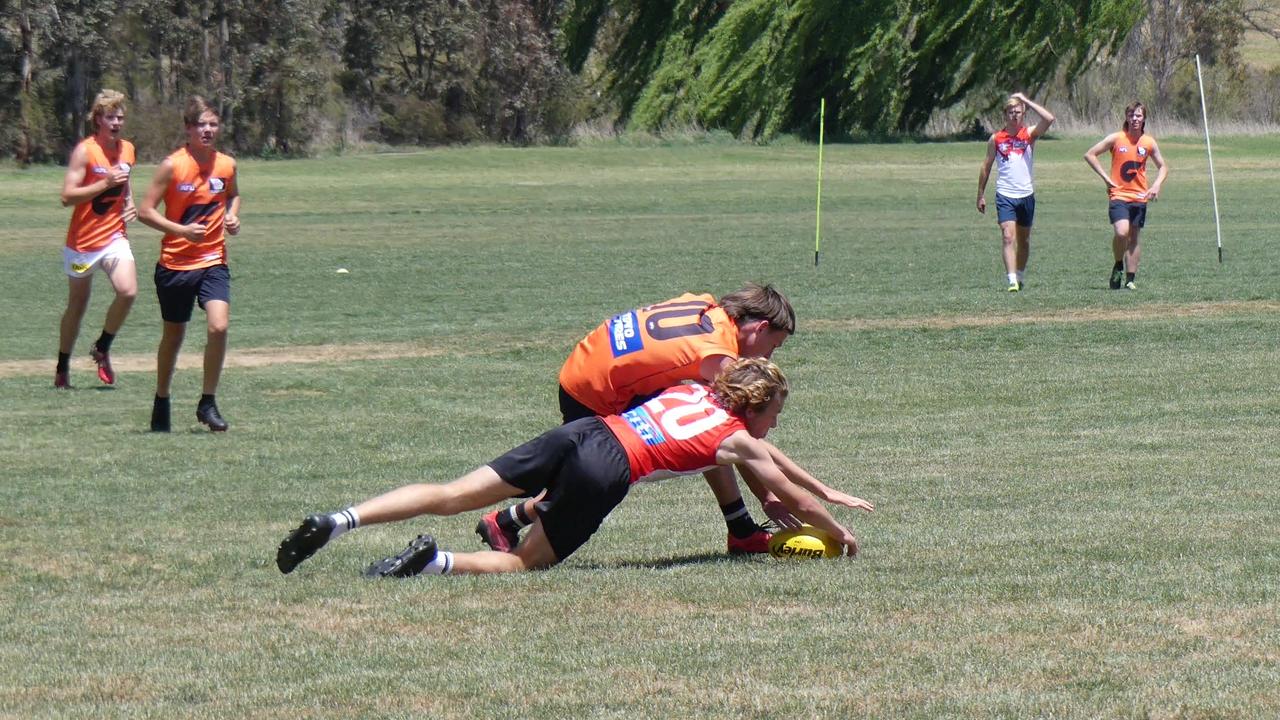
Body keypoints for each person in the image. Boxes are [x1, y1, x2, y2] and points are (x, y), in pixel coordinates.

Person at [276, 358, 874, 577]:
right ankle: (434, 562)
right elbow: (788, 501)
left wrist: (824, 487)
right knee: (522, 562)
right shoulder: (739, 440)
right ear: (754, 405)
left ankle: (341, 519)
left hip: (585, 431)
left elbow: (783, 469)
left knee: (453, 492)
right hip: (607, 468)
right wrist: (836, 532)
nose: (775, 422)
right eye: (775, 410)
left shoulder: (697, 390)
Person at [475, 285, 798, 557]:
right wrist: (768, 497)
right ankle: (504, 522)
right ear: (759, 327)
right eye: (773, 346)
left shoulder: (705, 305)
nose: (767, 358)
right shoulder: (719, 357)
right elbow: (740, 438)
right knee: (598, 479)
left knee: (704, 426)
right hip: (597, 389)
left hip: (591, 361)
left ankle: (740, 530)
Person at [137, 96, 241, 432]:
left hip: (214, 260)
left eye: (213, 124)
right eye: (201, 125)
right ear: (188, 129)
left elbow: (233, 195)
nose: (208, 130)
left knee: (219, 327)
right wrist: (181, 230)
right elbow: (145, 211)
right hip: (174, 266)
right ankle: (162, 398)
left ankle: (207, 402)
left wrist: (232, 216)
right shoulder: (172, 165)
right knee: (174, 335)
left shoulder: (226, 164)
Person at [56, 89, 138, 388]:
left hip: (114, 237)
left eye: (120, 117)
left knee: (127, 291)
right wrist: (104, 182)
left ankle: (102, 347)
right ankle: (62, 365)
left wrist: (129, 201)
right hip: (82, 246)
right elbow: (67, 197)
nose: (116, 122)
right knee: (77, 306)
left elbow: (125, 180)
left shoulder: (128, 149)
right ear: (98, 119)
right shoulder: (85, 151)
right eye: (110, 116)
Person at [1083, 101, 1169, 290]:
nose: (1135, 119)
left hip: (1139, 197)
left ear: (1144, 118)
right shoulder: (1116, 138)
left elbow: (1163, 166)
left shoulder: (1148, 142)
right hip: (1118, 195)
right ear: (1126, 117)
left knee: (1134, 237)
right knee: (1122, 232)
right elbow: (1090, 155)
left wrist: (1156, 185)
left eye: (1138, 115)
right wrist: (1106, 179)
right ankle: (1118, 264)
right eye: (1131, 115)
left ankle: (1130, 279)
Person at [976, 92, 1055, 293]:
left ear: (1023, 113)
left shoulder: (1029, 134)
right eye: (1011, 112)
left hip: (1026, 195)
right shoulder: (996, 139)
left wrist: (1026, 100)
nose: (1014, 115)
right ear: (1005, 114)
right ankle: (1011, 280)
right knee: (1007, 236)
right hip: (1005, 195)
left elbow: (1049, 119)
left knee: (1024, 240)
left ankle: (1019, 275)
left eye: (1018, 112)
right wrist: (981, 194)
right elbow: (986, 167)